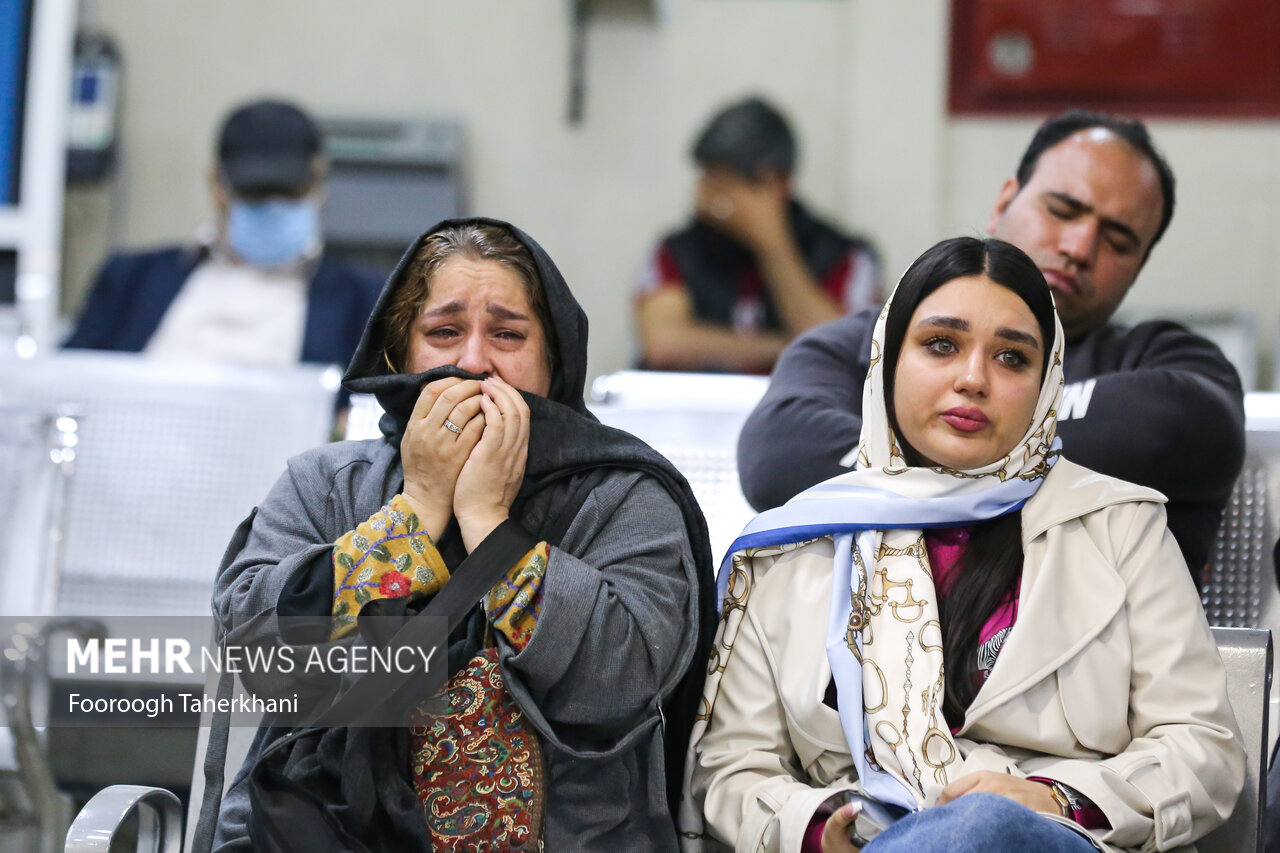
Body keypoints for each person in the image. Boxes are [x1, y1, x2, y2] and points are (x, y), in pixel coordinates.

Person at [681, 237, 1243, 853]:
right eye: (941, 345)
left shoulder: (1118, 524)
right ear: (889, 359)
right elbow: (730, 766)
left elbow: (1202, 746)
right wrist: (819, 826)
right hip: (871, 840)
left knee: (986, 829)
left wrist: (1059, 800)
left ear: (1045, 384)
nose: (973, 379)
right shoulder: (794, 544)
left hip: (1058, 840)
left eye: (1011, 358)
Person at [207, 218, 715, 850]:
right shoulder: (328, 484)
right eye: (444, 332)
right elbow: (259, 656)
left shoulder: (622, 497)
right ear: (400, 355)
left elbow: (622, 682)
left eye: (507, 335)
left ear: (553, 360)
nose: (475, 363)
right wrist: (414, 514)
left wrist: (491, 527)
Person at [736, 110, 1244, 583]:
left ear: (1139, 266)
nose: (1079, 248)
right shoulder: (867, 341)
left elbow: (1170, 427)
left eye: (1118, 240)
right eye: (1063, 210)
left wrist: (926, 455)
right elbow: (779, 456)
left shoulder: (1169, 362)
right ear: (1004, 201)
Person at [64, 98, 381, 369]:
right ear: (216, 185)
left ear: (318, 183)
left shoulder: (363, 303)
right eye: (253, 193)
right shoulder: (130, 281)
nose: (271, 205)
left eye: (288, 192)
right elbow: (64, 382)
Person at [635, 96, 881, 373]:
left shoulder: (843, 256)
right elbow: (664, 345)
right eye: (706, 178)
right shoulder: (678, 251)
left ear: (776, 183)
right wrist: (786, 345)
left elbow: (844, 349)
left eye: (722, 184)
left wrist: (771, 244)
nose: (703, 196)